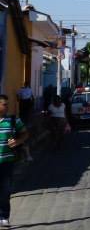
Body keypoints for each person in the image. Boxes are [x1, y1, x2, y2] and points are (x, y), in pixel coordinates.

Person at [0, 94, 28, 227]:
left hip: (7, 162)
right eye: (4, 104)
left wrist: (17, 141)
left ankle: (4, 216)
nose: (7, 107)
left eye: (7, 104)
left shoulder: (13, 120)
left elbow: (25, 133)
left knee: (5, 191)